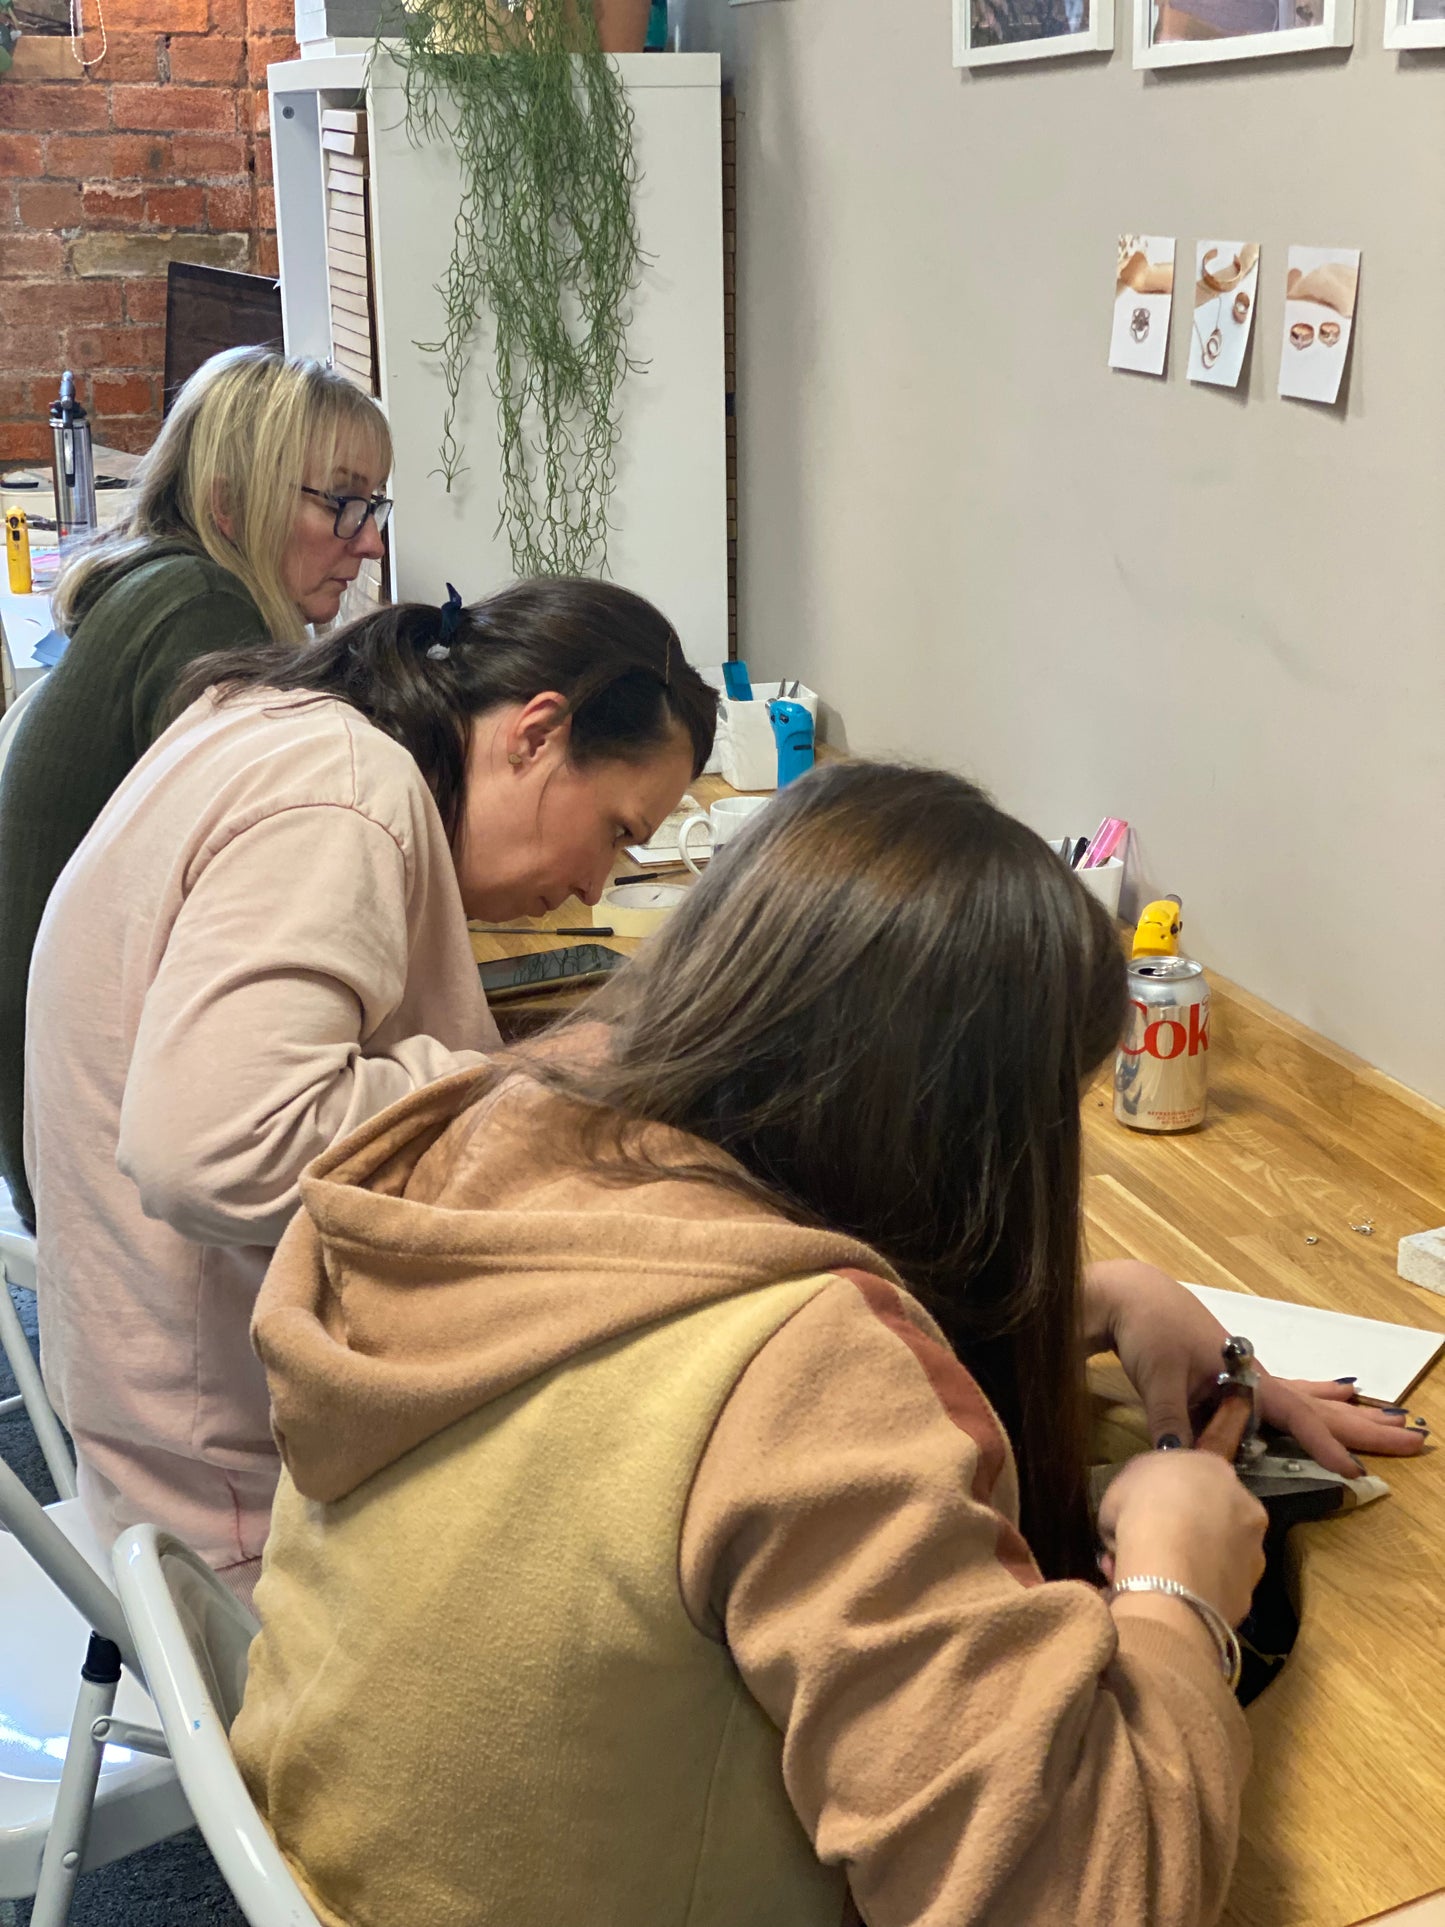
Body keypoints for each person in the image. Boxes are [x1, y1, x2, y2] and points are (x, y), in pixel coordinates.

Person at [234, 761, 1425, 1927]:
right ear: (953, 1127)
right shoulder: (809, 1371)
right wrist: (1177, 1587)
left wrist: (1092, 1296)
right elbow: (1076, 1896)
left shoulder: (496, 1143)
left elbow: (659, 1350)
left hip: (326, 1863)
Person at [26, 578, 716, 1598]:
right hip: (236, 1524)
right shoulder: (348, 791)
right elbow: (215, 1148)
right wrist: (524, 1074)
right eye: (617, 832)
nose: (592, 888)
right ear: (534, 734)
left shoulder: (264, 723)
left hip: (147, 1448)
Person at [0, 345, 392, 1230]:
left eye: (372, 505)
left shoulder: (158, 584)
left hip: (65, 1096)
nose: (368, 540)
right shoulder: (200, 613)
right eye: (342, 504)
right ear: (228, 503)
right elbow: (288, 855)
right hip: (94, 1158)